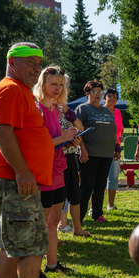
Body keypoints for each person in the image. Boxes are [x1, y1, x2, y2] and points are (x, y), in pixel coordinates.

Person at [0, 42, 65, 278]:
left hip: (9, 180)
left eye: (39, 63)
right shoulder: (11, 89)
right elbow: (2, 131)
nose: (36, 68)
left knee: (12, 245)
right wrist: (22, 171)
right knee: (32, 245)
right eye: (30, 62)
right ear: (12, 62)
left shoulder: (17, 90)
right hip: (13, 180)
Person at [33, 66, 79, 278]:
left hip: (58, 169)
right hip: (43, 172)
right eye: (53, 84)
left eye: (60, 84)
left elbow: (56, 140)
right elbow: (38, 145)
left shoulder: (54, 109)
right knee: (40, 225)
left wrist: (70, 140)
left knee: (52, 223)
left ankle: (52, 264)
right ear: (42, 84)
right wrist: (64, 138)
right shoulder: (37, 109)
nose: (58, 88)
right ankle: (34, 271)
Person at [76, 80, 119, 223]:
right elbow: (77, 132)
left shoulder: (106, 110)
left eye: (100, 91)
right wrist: (82, 148)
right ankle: (79, 217)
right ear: (87, 93)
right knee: (87, 185)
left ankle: (97, 214)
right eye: (94, 91)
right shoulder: (82, 109)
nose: (97, 94)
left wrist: (116, 148)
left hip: (106, 153)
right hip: (89, 154)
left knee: (100, 185)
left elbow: (112, 130)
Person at [55, 74, 91, 238]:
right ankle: (55, 231)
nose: (64, 89)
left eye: (66, 86)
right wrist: (66, 141)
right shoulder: (47, 109)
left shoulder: (66, 110)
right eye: (63, 85)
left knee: (75, 194)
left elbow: (80, 127)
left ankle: (78, 228)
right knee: (58, 197)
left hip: (71, 157)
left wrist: (67, 111)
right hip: (56, 158)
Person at [104, 88, 123, 210]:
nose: (112, 99)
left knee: (113, 177)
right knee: (99, 178)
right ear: (104, 98)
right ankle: (93, 207)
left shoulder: (118, 112)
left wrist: (120, 137)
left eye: (115, 97)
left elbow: (120, 128)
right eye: (110, 96)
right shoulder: (100, 111)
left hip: (116, 149)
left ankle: (110, 204)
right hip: (102, 148)